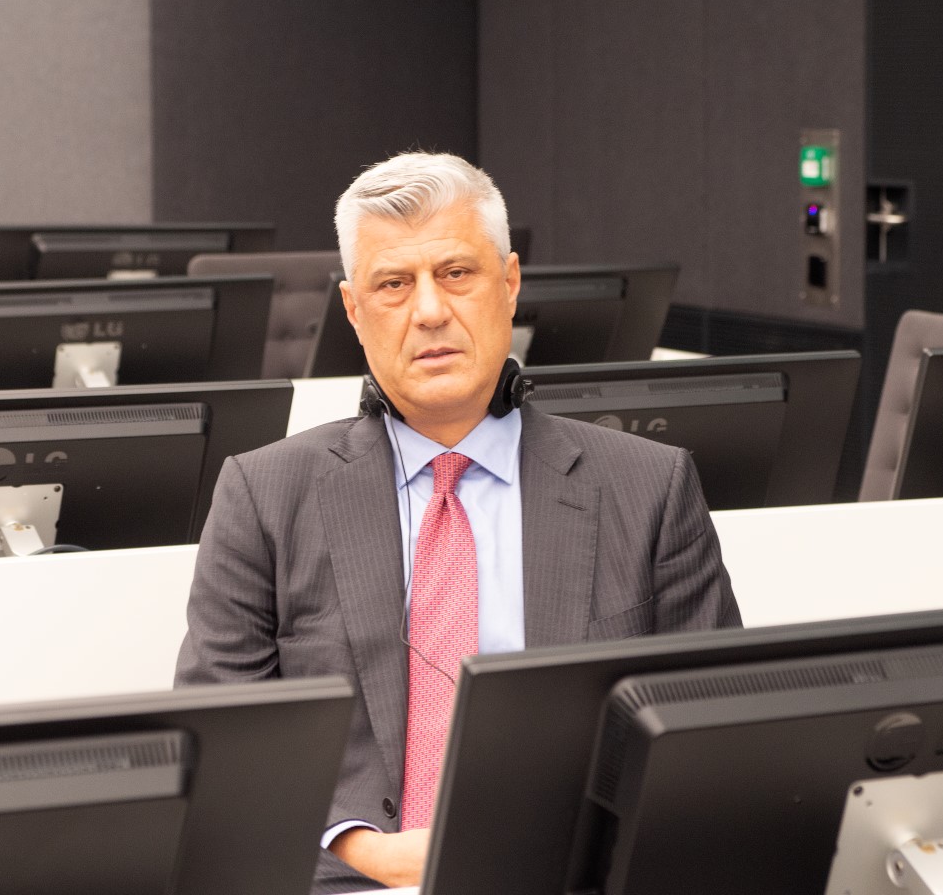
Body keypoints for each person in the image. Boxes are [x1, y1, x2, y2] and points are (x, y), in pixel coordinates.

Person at [176, 152, 741, 892]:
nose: (430, 311)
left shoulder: (650, 487)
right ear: (353, 310)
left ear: (509, 284)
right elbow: (222, 749)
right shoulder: (264, 494)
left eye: (455, 273)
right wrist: (362, 849)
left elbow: (707, 745)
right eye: (393, 284)